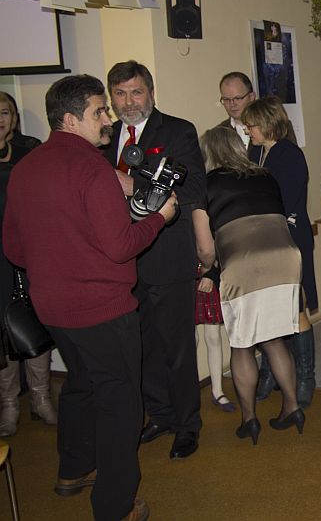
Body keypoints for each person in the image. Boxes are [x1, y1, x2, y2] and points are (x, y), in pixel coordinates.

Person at [3, 74, 175, 521]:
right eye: (99, 111)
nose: (108, 119)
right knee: (121, 403)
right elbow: (121, 246)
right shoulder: (93, 169)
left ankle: (74, 470)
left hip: (52, 308)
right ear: (70, 119)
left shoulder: (25, 168)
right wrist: (160, 217)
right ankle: (115, 507)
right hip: (102, 309)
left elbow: (15, 250)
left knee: (80, 383)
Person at [103, 60, 206, 460]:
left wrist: (134, 184)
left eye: (136, 92)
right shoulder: (104, 136)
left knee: (177, 348)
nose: (129, 102)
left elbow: (194, 189)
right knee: (140, 346)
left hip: (167, 256)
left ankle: (188, 424)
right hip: (121, 260)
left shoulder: (178, 131)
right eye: (120, 94)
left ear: (150, 92)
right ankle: (160, 414)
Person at [193, 126, 305, 443]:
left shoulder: (204, 186)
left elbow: (205, 249)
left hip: (244, 263)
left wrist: (207, 269)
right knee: (273, 338)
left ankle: (249, 419)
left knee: (242, 344)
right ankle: (293, 407)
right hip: (284, 258)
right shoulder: (265, 176)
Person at [241, 96, 318, 408]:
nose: (248, 131)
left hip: (288, 239)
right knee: (268, 309)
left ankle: (306, 376)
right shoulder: (255, 152)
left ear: (268, 123)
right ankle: (271, 370)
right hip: (263, 240)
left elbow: (284, 201)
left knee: (295, 308)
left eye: (252, 125)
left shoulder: (290, 155)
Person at [0, 91, 58, 437]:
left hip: (30, 250)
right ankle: (9, 403)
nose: (0, 119)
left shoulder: (30, 151)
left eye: (5, 112)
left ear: (14, 118)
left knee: (35, 319)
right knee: (3, 327)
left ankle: (41, 398)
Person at [216, 71, 275, 401]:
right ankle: (258, 376)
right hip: (235, 240)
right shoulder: (218, 136)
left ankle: (277, 374)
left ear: (251, 96)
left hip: (267, 238)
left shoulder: (268, 131)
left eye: (237, 98)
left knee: (273, 317)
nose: (232, 105)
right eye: (226, 99)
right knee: (244, 320)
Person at [194, 262, 234, 413]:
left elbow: (216, 249)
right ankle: (190, 391)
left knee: (214, 337)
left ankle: (218, 391)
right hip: (181, 278)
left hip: (206, 271)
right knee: (190, 340)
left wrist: (210, 274)